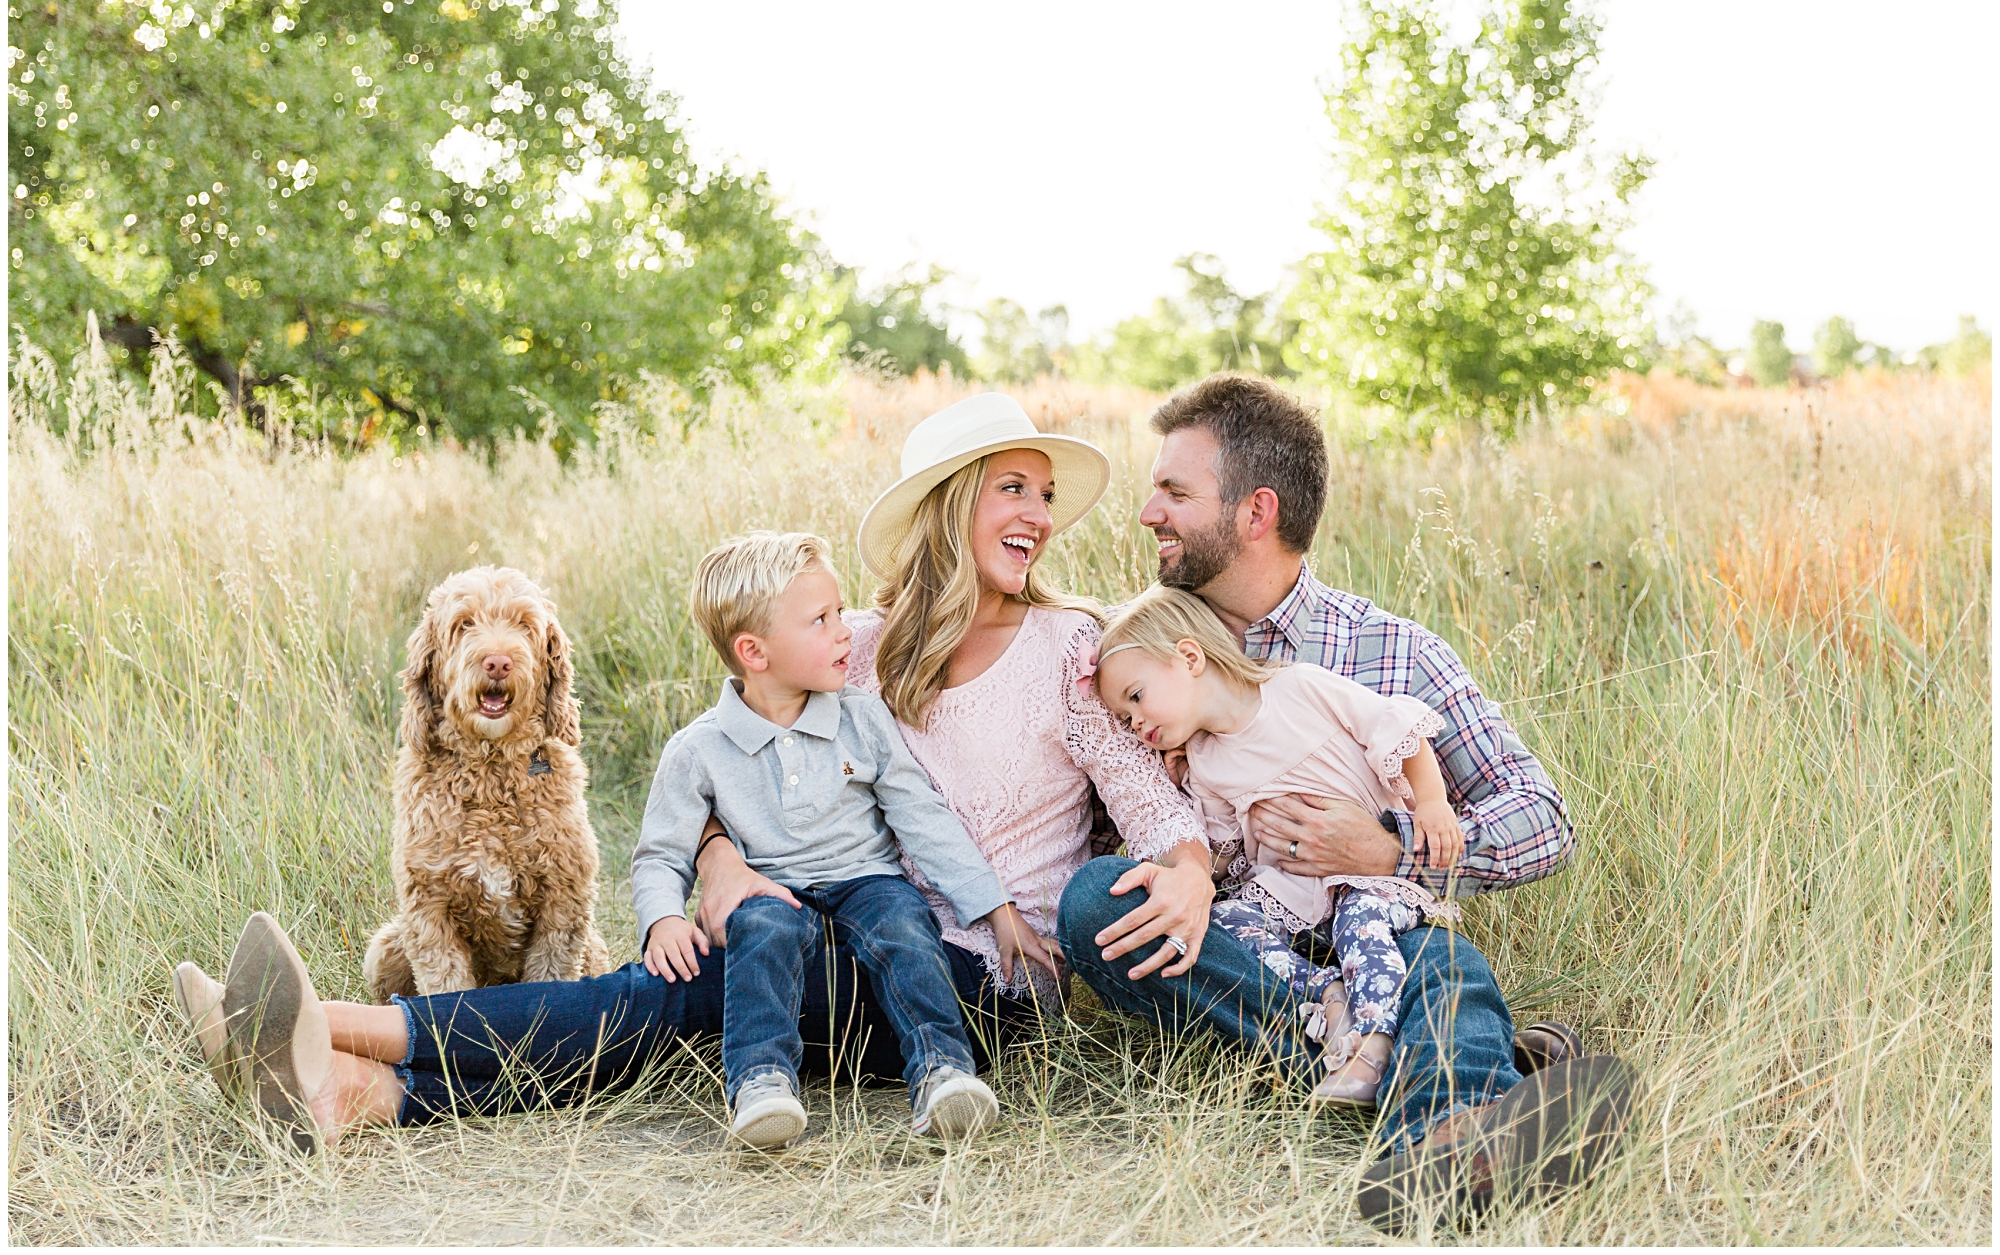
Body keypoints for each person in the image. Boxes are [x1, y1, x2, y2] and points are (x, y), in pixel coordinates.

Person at [166, 392, 1207, 1152]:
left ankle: (326, 1029)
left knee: (676, 993)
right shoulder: (846, 640)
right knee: (684, 997)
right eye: (1009, 488)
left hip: (967, 981)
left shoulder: (1071, 648)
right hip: (821, 932)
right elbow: (728, 762)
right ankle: (356, 1096)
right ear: (947, 505)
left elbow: (1151, 807)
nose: (1037, 512)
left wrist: (1193, 872)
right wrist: (714, 860)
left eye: (1044, 493)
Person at [1054, 373, 1638, 1231]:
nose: (1148, 512)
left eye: (1175, 491)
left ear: (1257, 512)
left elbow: (1543, 822)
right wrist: (1190, 872)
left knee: (1438, 962)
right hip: (1248, 951)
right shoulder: (1126, 650)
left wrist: (1390, 848)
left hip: (1379, 921)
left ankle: (1445, 1140)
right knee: (1095, 904)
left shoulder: (1390, 652)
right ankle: (1455, 1061)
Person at [633, 531, 1052, 1147]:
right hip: (772, 887)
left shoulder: (861, 716)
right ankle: (762, 1082)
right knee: (760, 931)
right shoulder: (697, 749)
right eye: (822, 620)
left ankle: (942, 1070)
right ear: (754, 651)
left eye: (839, 612)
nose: (844, 632)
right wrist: (663, 918)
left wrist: (994, 907)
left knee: (905, 929)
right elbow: (660, 853)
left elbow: (923, 817)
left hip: (867, 880)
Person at [1092, 583, 1464, 1106]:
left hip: (1366, 876)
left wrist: (1430, 802)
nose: (1136, 722)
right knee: (1228, 922)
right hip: (1294, 889)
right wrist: (1179, 788)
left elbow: (1396, 728)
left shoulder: (1297, 688)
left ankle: (1373, 1046)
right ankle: (1326, 995)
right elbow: (1227, 860)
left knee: (1364, 924)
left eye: (1137, 697)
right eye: (1126, 717)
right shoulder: (1204, 763)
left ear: (1189, 657)